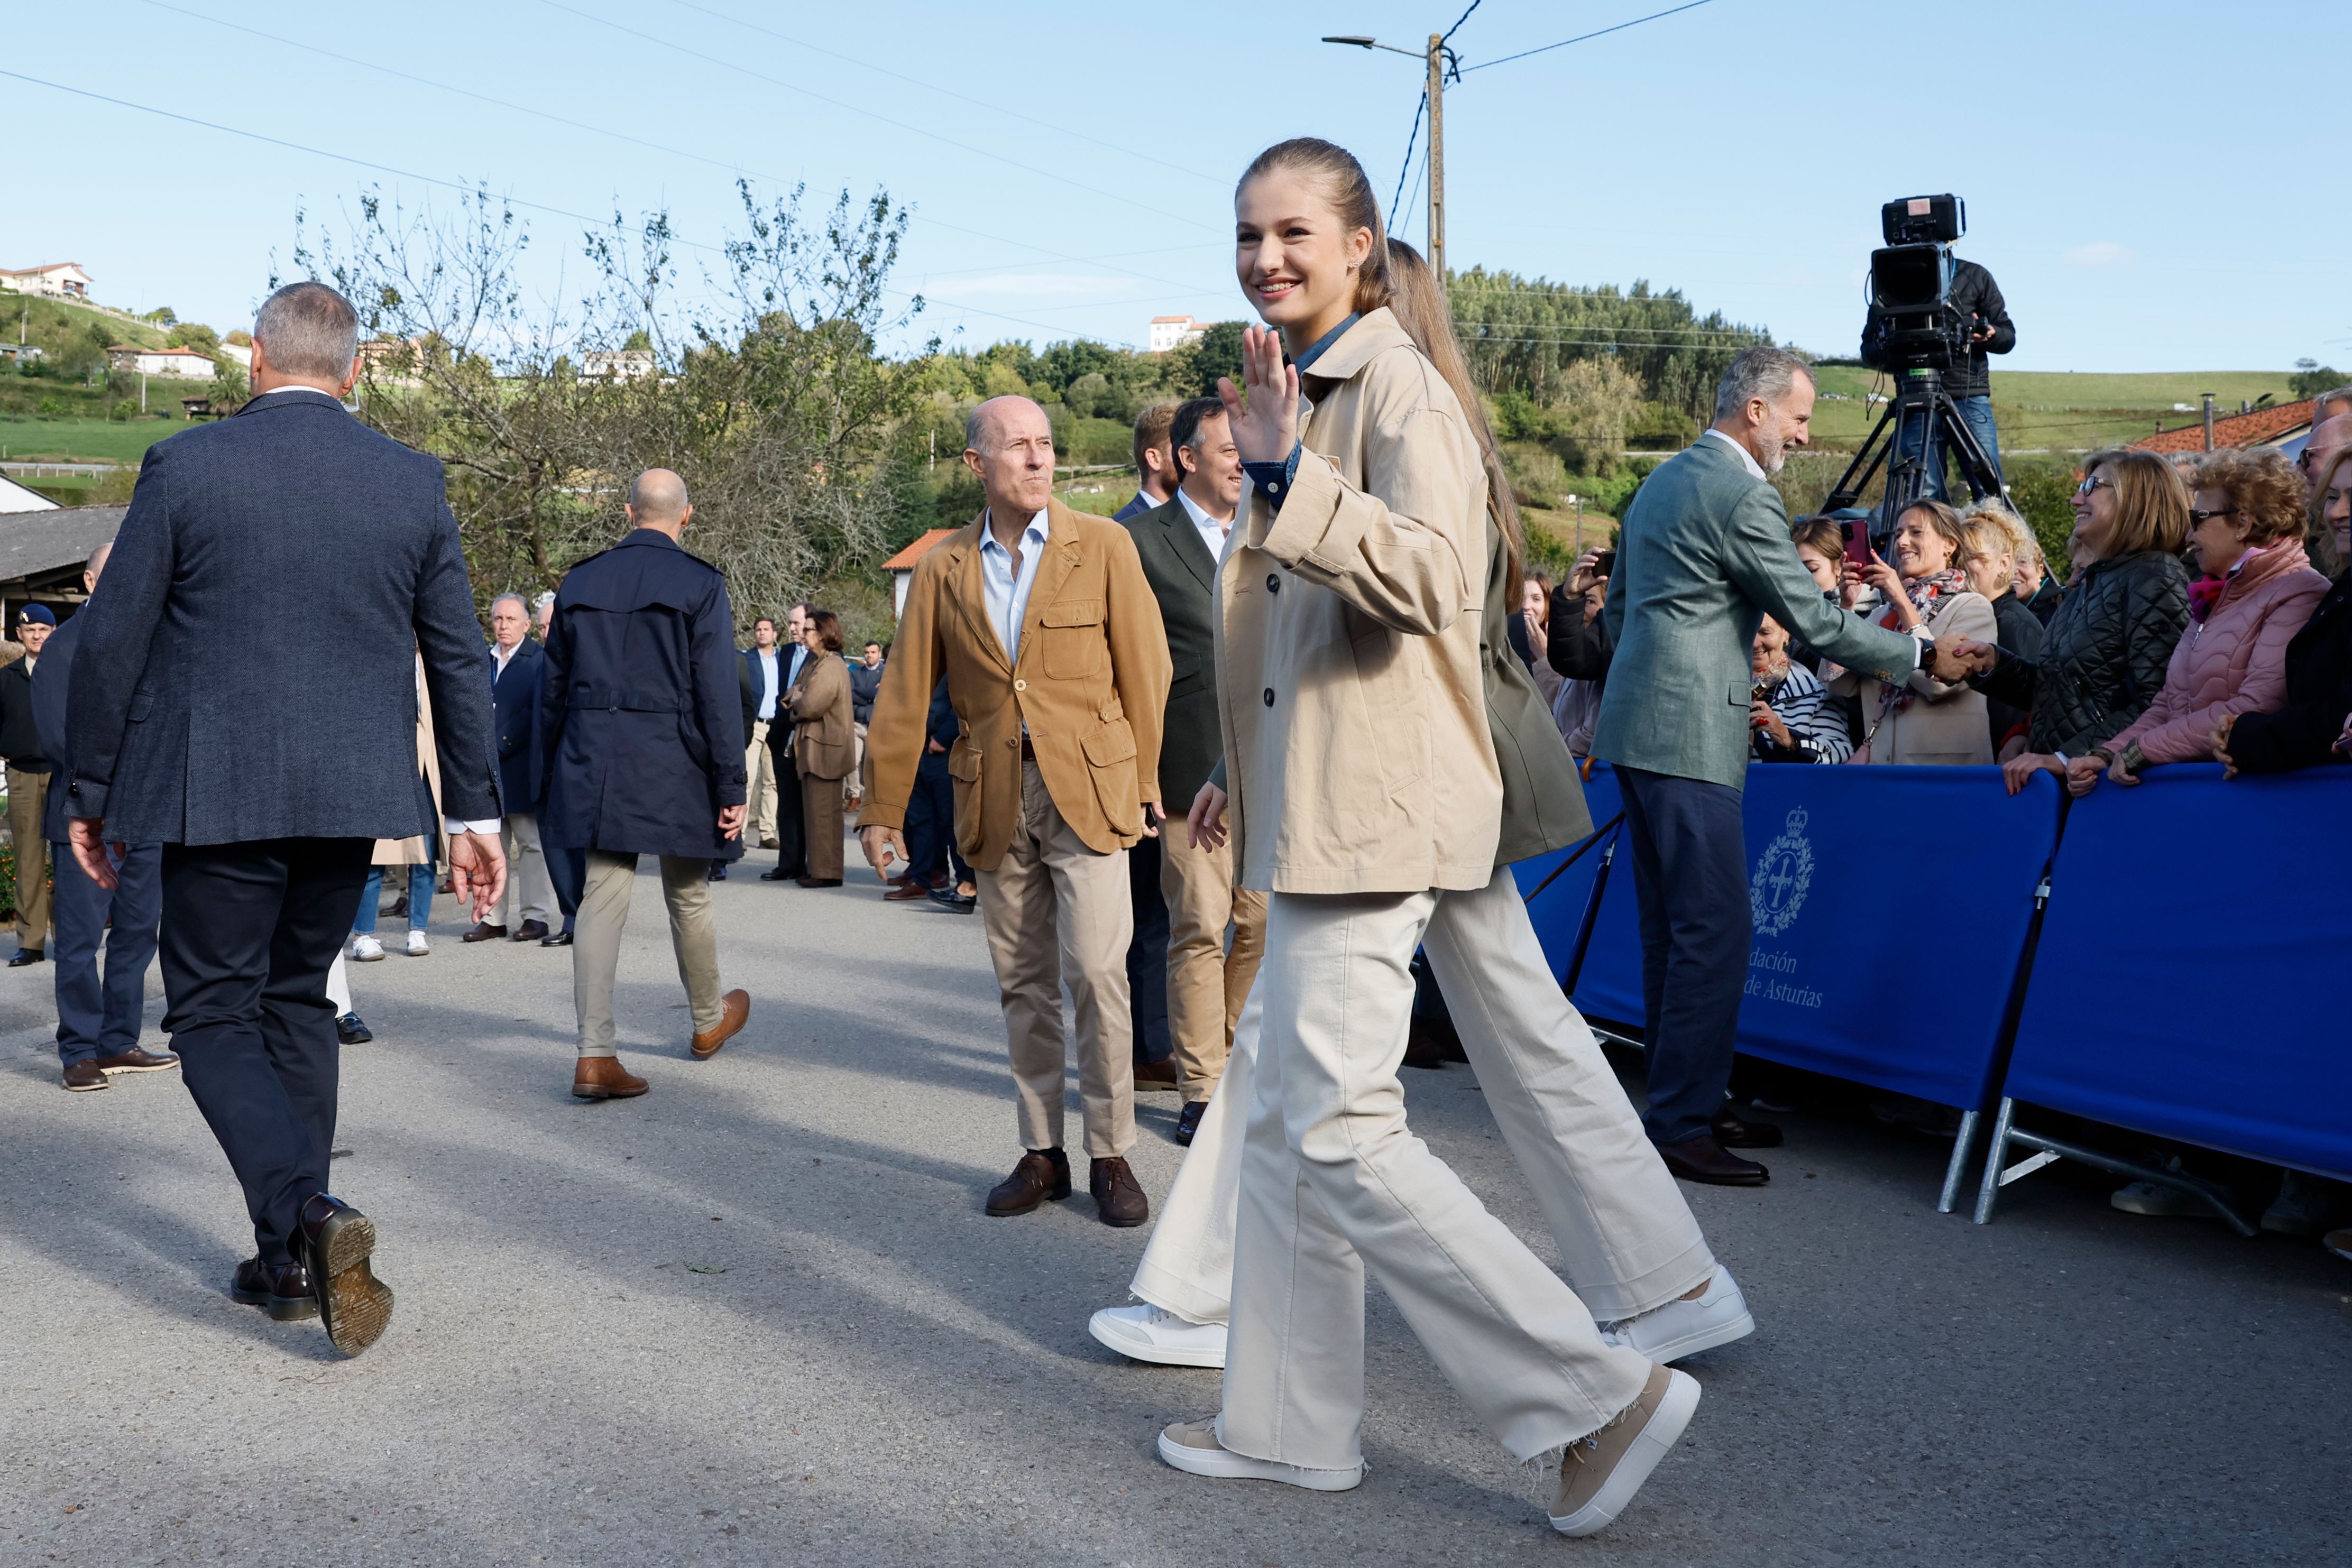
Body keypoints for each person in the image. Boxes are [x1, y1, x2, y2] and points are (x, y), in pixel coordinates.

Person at [1148, 144, 1745, 1539]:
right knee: (1297, 1124)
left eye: (1294, 231)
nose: (1265, 256)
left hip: (1378, 815)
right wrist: (1246, 769)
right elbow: (1293, 626)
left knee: (1343, 1124)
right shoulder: (1308, 390)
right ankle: (1286, 1424)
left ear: (1361, 246)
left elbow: (1432, 574)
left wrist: (1290, 474)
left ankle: (1595, 1392)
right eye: (1247, 234)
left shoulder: (1394, 389)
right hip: (1322, 802)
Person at [63, 279, 504, 1355]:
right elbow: (456, 653)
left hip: (220, 788)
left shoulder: (188, 464)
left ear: (254, 362)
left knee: (214, 1013)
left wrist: (90, 790)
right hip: (351, 788)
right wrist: (477, 808)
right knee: (298, 1001)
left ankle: (304, 1217)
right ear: (354, 372)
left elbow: (115, 637)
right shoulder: (411, 481)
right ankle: (283, 1258)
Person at [1593, 345, 1928, 1186]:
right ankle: (1680, 1118)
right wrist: (1916, 652)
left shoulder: (1662, 482)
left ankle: (1687, 1102)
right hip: (1690, 734)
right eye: (1801, 417)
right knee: (1714, 929)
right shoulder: (1743, 493)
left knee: (1674, 929)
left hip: (1637, 726)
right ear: (1757, 411)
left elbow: (1624, 613)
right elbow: (1816, 622)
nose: (1805, 435)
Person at [859, 395, 1171, 1228]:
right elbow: (903, 691)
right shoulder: (943, 568)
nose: (1039, 460)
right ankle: (1043, 1151)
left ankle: (1112, 1152)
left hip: (1092, 790)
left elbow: (1148, 668)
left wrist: (1146, 778)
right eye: (1018, 447)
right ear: (977, 466)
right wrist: (881, 807)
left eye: (1046, 445)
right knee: (1022, 984)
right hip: (992, 793)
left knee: (1101, 973)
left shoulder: (1103, 545)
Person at [538, 468, 751, 1100]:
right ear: (686, 516)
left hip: (593, 757)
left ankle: (594, 1054)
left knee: (601, 895)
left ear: (628, 512)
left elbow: (551, 693)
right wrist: (730, 784)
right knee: (687, 891)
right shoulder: (700, 583)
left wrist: (551, 773)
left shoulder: (579, 580)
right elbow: (717, 693)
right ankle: (708, 1021)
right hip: (674, 760)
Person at [1121, 394, 1269, 1142]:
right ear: (1186, 458)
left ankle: (1235, 1060)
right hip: (1185, 774)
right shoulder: (1141, 544)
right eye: (1229, 450)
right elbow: (1127, 667)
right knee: (1201, 927)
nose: (1244, 463)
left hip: (1271, 765)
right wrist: (1138, 777)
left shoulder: (1274, 530)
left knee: (1262, 921)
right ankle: (1204, 1088)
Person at [2070, 446, 2328, 797]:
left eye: (2199, 520)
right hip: (2198, 790)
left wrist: (2146, 749)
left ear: (2242, 523)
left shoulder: (2298, 591)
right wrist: (2108, 752)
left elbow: (2257, 706)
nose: (2189, 537)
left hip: (2247, 797)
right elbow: (2168, 703)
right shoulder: (2218, 593)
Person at [1951, 449, 2192, 796]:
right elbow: (2063, 690)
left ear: (2136, 499)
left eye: (2092, 486)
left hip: (2111, 788)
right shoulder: (2092, 584)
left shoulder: (2155, 576)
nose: (2075, 498)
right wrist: (1995, 664)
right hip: (2070, 786)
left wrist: (2066, 757)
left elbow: (2161, 702)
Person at [32, 546, 178, 1091]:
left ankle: (119, 1040)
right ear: (90, 580)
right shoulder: (65, 646)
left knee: (137, 934)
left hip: (144, 816)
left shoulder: (153, 642)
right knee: (78, 940)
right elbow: (55, 737)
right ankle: (78, 1049)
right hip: (83, 815)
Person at [2217, 443, 2352, 775]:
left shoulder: (2307, 590)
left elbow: (2341, 717)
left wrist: (2250, 736)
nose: (2336, 513)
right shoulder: (2343, 589)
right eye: (2332, 497)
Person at [1841, 500, 1997, 765]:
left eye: (1916, 532)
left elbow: (1938, 685)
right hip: (1885, 772)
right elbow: (1841, 686)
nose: (1902, 542)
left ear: (1950, 545)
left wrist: (1902, 602)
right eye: (1899, 533)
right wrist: (1846, 608)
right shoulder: (1881, 615)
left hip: (1945, 778)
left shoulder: (1972, 607)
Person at [1870, 248, 2013, 503]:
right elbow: (1868, 349)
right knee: (1923, 493)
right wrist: (1888, 344)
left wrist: (1988, 333)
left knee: (1990, 492)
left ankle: (1996, 541)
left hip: (1968, 396)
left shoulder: (1974, 275)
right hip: (1915, 398)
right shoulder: (1891, 279)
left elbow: (2008, 336)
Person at [465, 593, 552, 942]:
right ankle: (492, 917)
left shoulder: (540, 661)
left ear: (527, 625)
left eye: (511, 619)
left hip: (522, 766)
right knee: (491, 845)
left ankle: (536, 916)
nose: (503, 625)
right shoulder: (481, 660)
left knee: (531, 844)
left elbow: (537, 712)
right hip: (485, 772)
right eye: (498, 619)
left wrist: (501, 745)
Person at [1955, 512, 2045, 755]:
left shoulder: (2014, 624)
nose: (1961, 566)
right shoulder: (1975, 616)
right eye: (1957, 557)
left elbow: (2015, 712)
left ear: (2004, 563)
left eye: (1973, 557)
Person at [1, 602, 57, 965]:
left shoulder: (64, 673)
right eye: (30, 631)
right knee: (28, 860)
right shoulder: (6, 679)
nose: (36, 636)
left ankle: (70, 937)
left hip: (62, 774)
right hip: (22, 777)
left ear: (52, 634)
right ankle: (32, 943)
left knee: (70, 859)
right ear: (19, 635)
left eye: (43, 630)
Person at [784, 609, 853, 887]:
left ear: (824, 633)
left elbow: (810, 705)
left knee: (825, 815)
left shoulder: (832, 665)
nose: (803, 633)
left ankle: (828, 872)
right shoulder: (814, 663)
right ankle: (819, 869)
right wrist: (799, 698)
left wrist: (797, 702)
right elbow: (792, 694)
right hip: (813, 749)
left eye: (809, 629)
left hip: (827, 751)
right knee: (815, 813)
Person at [889, 675, 973, 904]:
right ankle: (920, 878)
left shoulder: (955, 662)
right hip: (918, 750)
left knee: (950, 822)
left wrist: (943, 737)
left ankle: (966, 885)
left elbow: (964, 704)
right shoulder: (922, 664)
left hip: (945, 752)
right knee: (919, 820)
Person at [759, 604, 813, 881]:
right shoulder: (788, 652)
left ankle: (811, 865)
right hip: (781, 738)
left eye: (797, 623)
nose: (792, 628)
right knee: (787, 804)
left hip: (808, 739)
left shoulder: (823, 656)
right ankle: (788, 864)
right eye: (791, 623)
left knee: (808, 805)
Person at [1749, 616, 1850, 763]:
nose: (1755, 643)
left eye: (1765, 633)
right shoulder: (1713, 685)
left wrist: (1787, 738)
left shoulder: (1813, 694)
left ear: (1786, 634)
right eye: (1748, 631)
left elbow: (1841, 753)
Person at [740, 616, 785, 849]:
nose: (762, 633)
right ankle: (741, 835)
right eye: (758, 629)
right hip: (754, 725)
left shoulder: (782, 659)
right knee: (746, 780)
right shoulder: (747, 659)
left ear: (775, 633)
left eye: (766, 629)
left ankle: (768, 833)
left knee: (773, 781)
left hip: (776, 725)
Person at [1114, 400, 1181, 521]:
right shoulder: (1121, 530)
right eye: (1181, 451)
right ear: (1154, 459)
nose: (1191, 461)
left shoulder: (1200, 524)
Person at [848, 639, 885, 802]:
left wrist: (861, 693)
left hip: (875, 725)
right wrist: (870, 694)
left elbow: (878, 696)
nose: (869, 655)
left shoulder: (886, 672)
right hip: (856, 723)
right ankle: (855, 795)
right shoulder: (856, 672)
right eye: (867, 652)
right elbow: (851, 695)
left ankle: (872, 798)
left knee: (873, 763)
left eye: (873, 652)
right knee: (852, 762)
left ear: (880, 654)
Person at [2013, 529, 2062, 624]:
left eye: (2023, 562)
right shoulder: (1996, 608)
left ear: (2040, 570)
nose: (2014, 571)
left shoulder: (2061, 604)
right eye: (2008, 564)